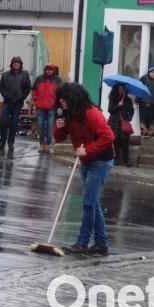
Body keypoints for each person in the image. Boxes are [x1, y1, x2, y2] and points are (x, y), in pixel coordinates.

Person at [53, 83, 115, 256]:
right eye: (60, 98)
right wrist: (58, 127)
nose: (61, 101)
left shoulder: (91, 113)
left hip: (101, 160)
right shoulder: (69, 114)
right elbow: (59, 137)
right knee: (93, 202)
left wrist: (88, 150)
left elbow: (108, 136)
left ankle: (82, 242)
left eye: (64, 98)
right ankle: (101, 244)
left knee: (88, 202)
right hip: (86, 161)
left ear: (73, 98)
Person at [0, 57, 32, 152]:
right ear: (12, 64)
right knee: (3, 121)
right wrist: (6, 96)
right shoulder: (5, 74)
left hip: (18, 103)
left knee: (14, 123)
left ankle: (11, 142)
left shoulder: (25, 74)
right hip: (7, 102)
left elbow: (28, 87)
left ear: (20, 64)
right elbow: (1, 87)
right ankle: (2, 141)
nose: (16, 64)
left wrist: (22, 97)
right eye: (14, 63)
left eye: (18, 63)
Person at [31, 63, 61, 154]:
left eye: (50, 69)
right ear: (45, 70)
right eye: (47, 69)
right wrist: (35, 98)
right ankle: (41, 145)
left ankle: (47, 144)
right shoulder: (39, 79)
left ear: (53, 71)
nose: (48, 71)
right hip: (40, 107)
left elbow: (61, 92)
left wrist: (56, 102)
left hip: (52, 108)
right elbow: (33, 89)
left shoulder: (57, 80)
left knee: (50, 127)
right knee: (40, 127)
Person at [107, 83, 134, 167]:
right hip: (114, 123)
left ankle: (126, 160)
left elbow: (131, 111)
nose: (121, 90)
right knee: (115, 142)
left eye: (122, 89)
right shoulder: (113, 98)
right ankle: (116, 159)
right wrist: (118, 106)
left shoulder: (128, 100)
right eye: (119, 89)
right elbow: (110, 110)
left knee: (125, 142)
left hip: (124, 124)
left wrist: (128, 118)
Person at [138, 66, 154, 137]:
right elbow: (139, 88)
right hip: (144, 100)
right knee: (143, 117)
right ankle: (144, 131)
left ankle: (150, 131)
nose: (153, 74)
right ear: (149, 72)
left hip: (153, 101)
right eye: (152, 72)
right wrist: (138, 99)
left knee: (151, 117)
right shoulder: (143, 78)